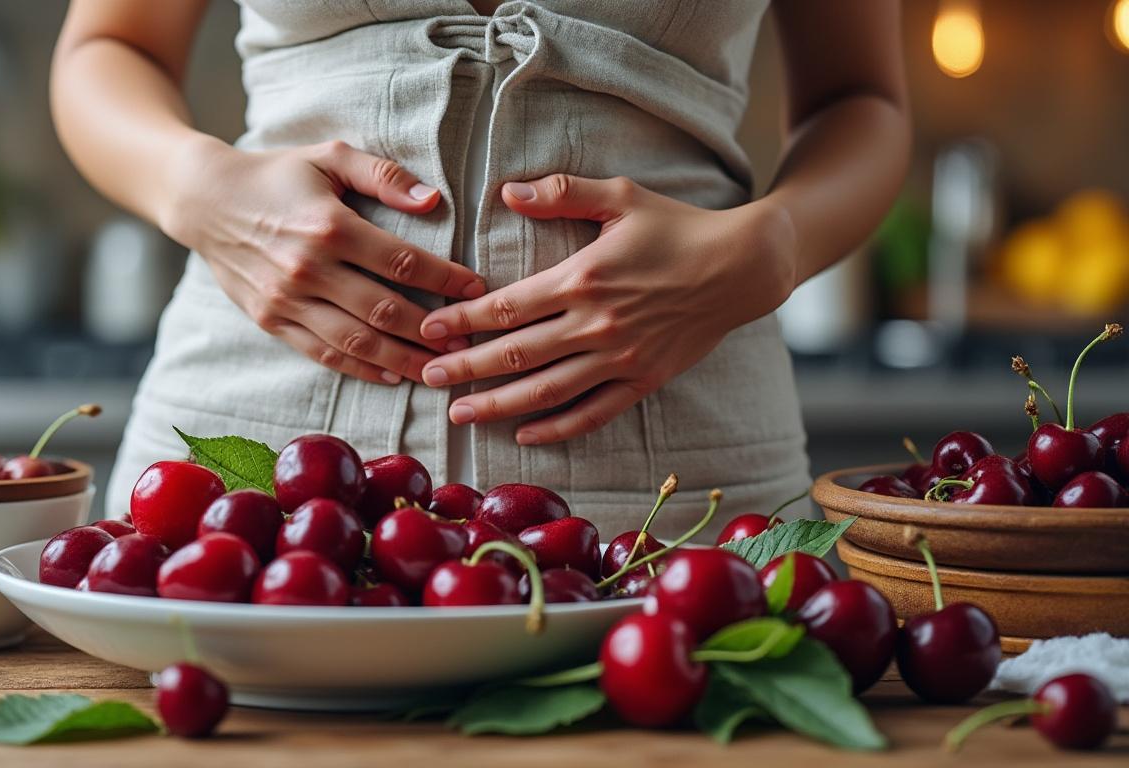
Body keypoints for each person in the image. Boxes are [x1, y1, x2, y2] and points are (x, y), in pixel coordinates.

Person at [51, 1, 909, 537]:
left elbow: (860, 99)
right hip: (251, 458)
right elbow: (108, 46)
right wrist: (193, 187)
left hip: (682, 496)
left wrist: (775, 246)